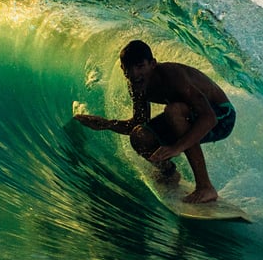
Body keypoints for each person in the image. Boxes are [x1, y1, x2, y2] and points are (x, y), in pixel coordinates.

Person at [73, 39, 236, 204]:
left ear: (153, 64)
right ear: (122, 69)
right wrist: (105, 124)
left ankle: (205, 186)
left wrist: (176, 148)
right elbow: (137, 123)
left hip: (222, 117)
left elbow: (209, 117)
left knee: (174, 111)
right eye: (128, 68)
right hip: (190, 117)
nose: (134, 74)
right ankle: (169, 174)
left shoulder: (172, 76)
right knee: (140, 135)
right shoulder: (137, 86)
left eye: (140, 66)